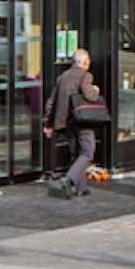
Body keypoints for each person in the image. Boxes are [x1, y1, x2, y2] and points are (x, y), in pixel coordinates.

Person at [43, 47, 104, 200]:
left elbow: (52, 101)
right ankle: (69, 179)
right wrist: (95, 90)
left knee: (77, 152)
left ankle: (81, 187)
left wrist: (48, 123)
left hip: (66, 121)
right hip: (82, 120)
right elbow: (90, 96)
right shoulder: (86, 75)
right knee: (88, 152)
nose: (89, 64)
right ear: (83, 62)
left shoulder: (62, 76)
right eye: (88, 61)